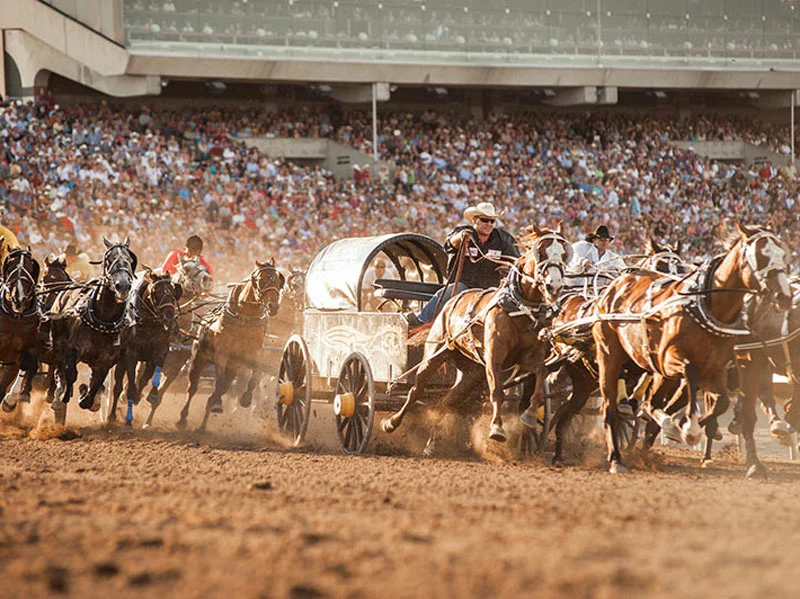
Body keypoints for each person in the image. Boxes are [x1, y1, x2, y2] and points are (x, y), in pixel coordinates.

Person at [411, 202, 519, 325]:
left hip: (492, 288)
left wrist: (506, 267)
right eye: (484, 220)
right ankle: (421, 320)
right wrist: (460, 238)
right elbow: (449, 245)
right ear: (474, 220)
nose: (489, 224)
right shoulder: (462, 232)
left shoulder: (503, 239)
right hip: (464, 284)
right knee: (445, 294)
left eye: (492, 221)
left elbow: (515, 260)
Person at [566, 225, 625, 291]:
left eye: (606, 240)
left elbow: (623, 271)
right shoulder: (583, 247)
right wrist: (581, 261)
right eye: (601, 239)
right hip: (577, 287)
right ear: (594, 240)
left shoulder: (613, 258)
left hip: (600, 291)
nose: (604, 242)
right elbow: (573, 255)